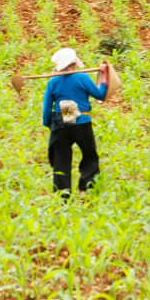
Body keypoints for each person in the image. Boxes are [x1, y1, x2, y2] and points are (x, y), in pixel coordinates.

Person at [41, 45, 114, 195]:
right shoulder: (82, 77)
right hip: (81, 122)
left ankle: (63, 191)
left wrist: (49, 124)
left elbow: (47, 107)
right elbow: (100, 94)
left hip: (60, 122)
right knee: (89, 155)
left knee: (61, 157)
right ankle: (85, 189)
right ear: (74, 63)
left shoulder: (54, 81)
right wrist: (105, 77)